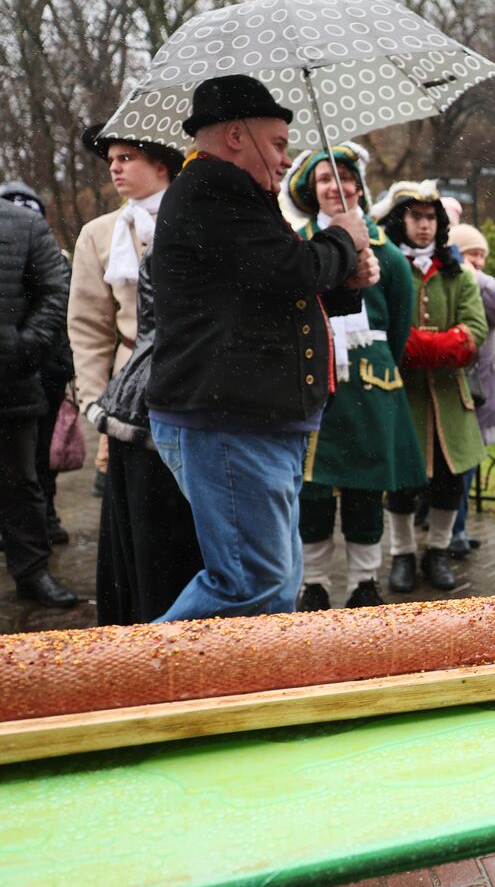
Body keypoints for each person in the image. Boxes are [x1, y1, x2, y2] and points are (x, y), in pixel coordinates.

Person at [146, 74, 378, 621]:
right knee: (252, 586)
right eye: (278, 145)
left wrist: (345, 281)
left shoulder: (238, 194)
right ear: (234, 135)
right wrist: (344, 238)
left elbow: (274, 296)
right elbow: (287, 270)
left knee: (271, 585)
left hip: (247, 420)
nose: (284, 160)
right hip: (227, 422)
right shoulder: (211, 190)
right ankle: (121, 679)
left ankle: (225, 695)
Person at [282, 143, 423, 611]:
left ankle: (364, 581)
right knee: (313, 492)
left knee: (366, 492)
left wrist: (375, 363)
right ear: (310, 189)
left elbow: (399, 327)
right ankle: (315, 581)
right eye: (325, 178)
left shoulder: (389, 257)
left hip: (370, 389)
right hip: (312, 386)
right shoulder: (295, 246)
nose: (336, 187)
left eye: (345, 178)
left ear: (359, 187)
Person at [71, 124, 202, 624]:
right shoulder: (100, 234)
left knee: (191, 514)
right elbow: (87, 327)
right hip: (132, 392)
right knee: (137, 521)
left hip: (198, 384)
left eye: (127, 157)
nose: (115, 167)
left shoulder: (201, 220)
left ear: (163, 164)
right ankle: (142, 621)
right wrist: (92, 402)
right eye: (111, 159)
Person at [372, 180, 487, 595]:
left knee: (449, 481)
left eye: (430, 218)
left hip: (448, 398)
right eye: (415, 216)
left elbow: (475, 330)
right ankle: (401, 555)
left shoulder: (456, 272)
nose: (424, 225)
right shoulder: (384, 266)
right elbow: (384, 331)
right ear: (400, 220)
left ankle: (437, 553)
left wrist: (422, 345)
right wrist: (427, 344)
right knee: (401, 483)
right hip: (401, 395)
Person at [0, 191, 79, 609]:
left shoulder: (23, 224)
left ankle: (32, 574)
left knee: (21, 483)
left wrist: (23, 348)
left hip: (11, 383)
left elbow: (55, 290)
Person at [446, 222, 495, 557]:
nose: (478, 261)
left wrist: (477, 277)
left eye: (481, 255)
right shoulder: (448, 281)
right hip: (452, 384)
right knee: (454, 465)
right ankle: (448, 529)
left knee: (469, 463)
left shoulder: (482, 286)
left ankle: (456, 529)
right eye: (471, 253)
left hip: (482, 387)